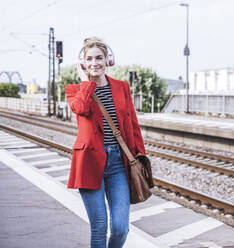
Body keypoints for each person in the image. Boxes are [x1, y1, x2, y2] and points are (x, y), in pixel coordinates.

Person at [65, 37, 146, 248]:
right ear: (82, 63)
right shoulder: (75, 90)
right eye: (89, 59)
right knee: (99, 226)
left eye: (99, 58)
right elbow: (80, 108)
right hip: (90, 163)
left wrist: (139, 156)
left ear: (107, 60)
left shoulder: (121, 87)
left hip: (118, 163)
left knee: (120, 228)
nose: (95, 63)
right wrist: (86, 82)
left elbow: (132, 124)